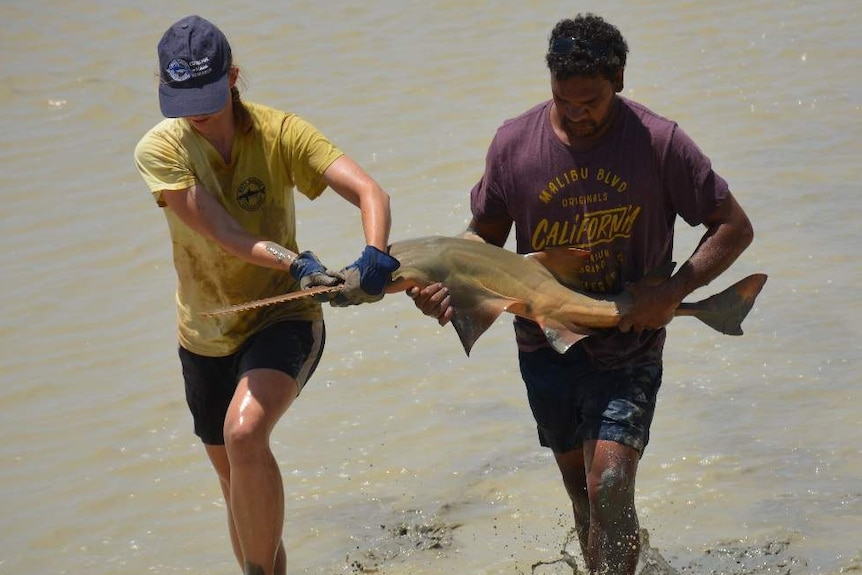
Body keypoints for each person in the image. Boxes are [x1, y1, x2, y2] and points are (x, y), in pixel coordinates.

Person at [408, 13, 754, 575]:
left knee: (609, 482)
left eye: (589, 100)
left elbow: (733, 227)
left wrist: (673, 290)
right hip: (544, 346)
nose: (575, 112)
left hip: (630, 341)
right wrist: (446, 286)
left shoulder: (659, 143)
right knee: (582, 491)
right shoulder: (514, 144)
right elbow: (483, 242)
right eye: (562, 99)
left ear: (618, 78)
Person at [133, 15, 399, 575]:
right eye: (181, 98)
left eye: (207, 95)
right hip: (204, 333)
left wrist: (375, 251)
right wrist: (296, 260)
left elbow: (368, 189)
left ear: (232, 77)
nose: (196, 111)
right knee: (235, 479)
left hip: (284, 314)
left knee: (245, 433)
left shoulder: (281, 133)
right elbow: (222, 232)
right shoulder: (159, 150)